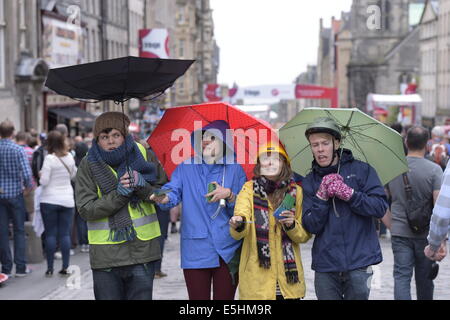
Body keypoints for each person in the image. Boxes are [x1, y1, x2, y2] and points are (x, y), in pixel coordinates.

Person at [151, 120, 247, 300]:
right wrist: (164, 198)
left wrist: (230, 195)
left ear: (224, 142)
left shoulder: (235, 169)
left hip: (227, 250)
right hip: (195, 248)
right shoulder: (186, 167)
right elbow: (173, 190)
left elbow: (245, 208)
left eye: (212, 137)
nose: (205, 141)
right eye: (203, 137)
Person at [75, 112, 165, 300]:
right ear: (97, 139)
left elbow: (163, 195)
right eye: (104, 137)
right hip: (106, 256)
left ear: (124, 135)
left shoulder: (142, 153)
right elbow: (86, 208)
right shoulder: (88, 164)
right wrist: (119, 194)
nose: (111, 141)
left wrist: (142, 186)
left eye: (116, 135)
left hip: (142, 251)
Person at [301, 117, 388, 300]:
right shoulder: (309, 181)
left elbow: (379, 207)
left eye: (325, 143)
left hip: (360, 260)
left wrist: (350, 194)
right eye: (314, 145)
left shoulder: (363, 170)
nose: (320, 149)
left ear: (337, 143)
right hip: (326, 263)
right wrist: (321, 197)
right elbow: (310, 225)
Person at [229, 143, 311, 300]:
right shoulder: (248, 189)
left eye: (277, 159)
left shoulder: (296, 192)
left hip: (289, 284)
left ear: (284, 164)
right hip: (257, 283)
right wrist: (239, 223)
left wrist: (291, 224)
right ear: (259, 165)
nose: (271, 162)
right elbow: (241, 219)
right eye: (265, 159)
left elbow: (304, 236)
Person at [387, 126, 443, 300]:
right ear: (427, 144)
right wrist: (440, 239)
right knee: (425, 278)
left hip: (399, 232)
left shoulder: (393, 168)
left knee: (401, 277)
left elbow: (380, 202)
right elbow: (439, 206)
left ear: (406, 142)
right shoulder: (434, 170)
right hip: (426, 234)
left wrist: (392, 224)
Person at [39, 131, 78, 277]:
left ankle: (49, 268)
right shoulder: (69, 157)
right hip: (67, 199)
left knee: (50, 235)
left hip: (49, 199)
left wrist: (41, 174)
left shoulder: (49, 158)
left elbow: (44, 182)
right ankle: (66, 266)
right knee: (64, 234)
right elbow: (73, 175)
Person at [0, 120, 33, 277]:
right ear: (12, 132)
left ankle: (6, 268)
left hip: (0, 195)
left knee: (2, 232)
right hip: (15, 194)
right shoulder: (18, 150)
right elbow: (27, 174)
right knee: (19, 230)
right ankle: (20, 267)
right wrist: (27, 188)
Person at [73, 136, 89, 253]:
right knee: (86, 219)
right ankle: (87, 242)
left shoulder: (73, 163)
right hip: (87, 194)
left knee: (79, 220)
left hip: (75, 194)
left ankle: (82, 242)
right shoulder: (89, 163)